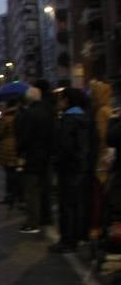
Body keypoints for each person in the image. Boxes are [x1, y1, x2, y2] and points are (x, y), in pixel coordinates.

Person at [51, 85, 93, 253]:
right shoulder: (86, 118)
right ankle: (78, 237)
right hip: (82, 168)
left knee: (67, 205)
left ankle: (67, 241)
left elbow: (65, 147)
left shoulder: (67, 120)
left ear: (67, 100)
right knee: (78, 204)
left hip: (68, 169)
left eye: (61, 98)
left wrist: (58, 160)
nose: (59, 102)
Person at [15, 82, 56, 235]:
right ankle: (47, 217)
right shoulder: (49, 111)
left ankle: (33, 222)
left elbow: (24, 138)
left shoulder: (29, 114)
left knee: (31, 191)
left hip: (32, 157)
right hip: (47, 156)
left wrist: (21, 153)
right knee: (45, 189)